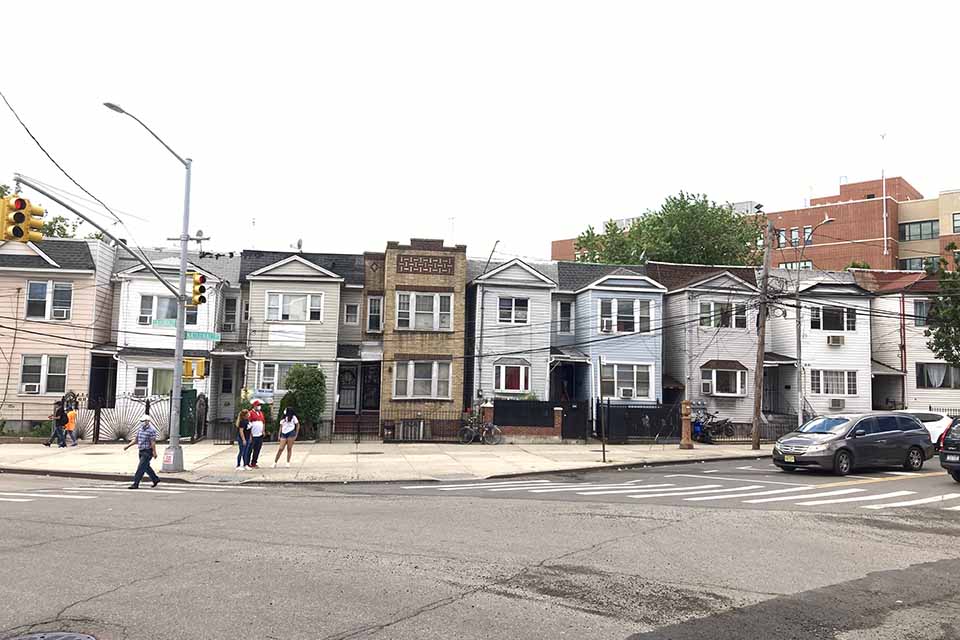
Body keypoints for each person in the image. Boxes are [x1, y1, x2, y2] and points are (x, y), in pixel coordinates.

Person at [124, 415, 159, 489]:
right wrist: (128, 446)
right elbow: (136, 440)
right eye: (141, 421)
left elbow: (153, 442)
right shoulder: (140, 429)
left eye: (143, 421)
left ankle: (136, 483)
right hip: (141, 450)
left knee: (140, 468)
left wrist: (154, 452)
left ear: (147, 421)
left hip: (147, 451)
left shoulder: (152, 430)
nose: (142, 422)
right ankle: (155, 479)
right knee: (146, 467)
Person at [247, 400, 266, 468]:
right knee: (250, 449)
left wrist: (263, 430)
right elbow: (249, 423)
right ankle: (247, 462)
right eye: (258, 405)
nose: (259, 407)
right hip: (253, 434)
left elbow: (263, 422)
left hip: (259, 434)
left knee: (257, 449)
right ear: (254, 406)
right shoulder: (250, 413)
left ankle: (254, 462)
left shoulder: (261, 413)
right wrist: (250, 434)